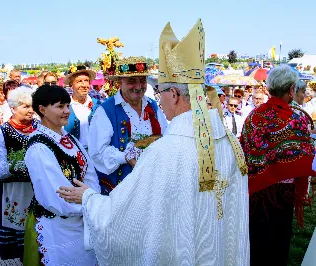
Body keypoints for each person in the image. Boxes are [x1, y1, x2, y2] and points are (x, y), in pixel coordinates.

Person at [57, 19, 249, 265]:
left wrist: (88, 199)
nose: (148, 93)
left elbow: (118, 218)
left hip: (146, 201)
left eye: (158, 92)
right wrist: (125, 156)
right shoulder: (230, 141)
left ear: (175, 94)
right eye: (132, 82)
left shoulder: (165, 149)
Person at [240, 64, 316, 266]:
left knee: (256, 243)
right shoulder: (296, 119)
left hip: (255, 193)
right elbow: (306, 155)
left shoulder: (253, 117)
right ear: (291, 90)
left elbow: (244, 151)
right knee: (277, 244)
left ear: (269, 88)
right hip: (282, 196)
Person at [24, 85, 100, 265]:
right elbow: (55, 197)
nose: (67, 111)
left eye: (67, 105)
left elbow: (89, 173)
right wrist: (93, 205)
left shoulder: (69, 139)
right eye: (60, 107)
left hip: (83, 219)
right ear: (42, 110)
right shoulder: (38, 148)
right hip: (58, 226)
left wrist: (92, 198)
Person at [88, 56, 168, 195]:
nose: (138, 87)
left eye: (142, 81)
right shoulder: (106, 111)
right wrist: (125, 157)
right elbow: (97, 152)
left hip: (153, 184)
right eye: (132, 81)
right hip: (121, 190)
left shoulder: (153, 106)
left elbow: (165, 136)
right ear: (120, 82)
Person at [0, 86, 38, 261]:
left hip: (39, 190)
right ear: (13, 108)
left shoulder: (41, 128)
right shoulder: (0, 133)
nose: (31, 110)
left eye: (32, 106)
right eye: (25, 106)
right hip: (14, 192)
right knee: (21, 243)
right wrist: (25, 165)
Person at [63, 65, 101, 150]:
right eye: (79, 81)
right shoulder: (64, 107)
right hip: (74, 156)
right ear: (71, 85)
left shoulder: (98, 105)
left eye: (86, 81)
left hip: (97, 155)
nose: (84, 85)